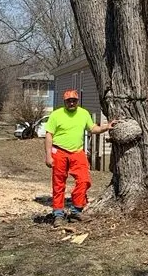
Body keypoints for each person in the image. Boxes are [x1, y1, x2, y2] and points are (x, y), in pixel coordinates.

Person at [45, 90, 117, 229]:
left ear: (77, 101)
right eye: (69, 101)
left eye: (74, 100)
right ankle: (58, 214)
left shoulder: (83, 113)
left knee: (84, 180)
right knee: (59, 184)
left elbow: (93, 128)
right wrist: (48, 155)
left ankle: (76, 210)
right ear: (64, 101)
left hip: (77, 152)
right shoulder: (56, 115)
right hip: (59, 151)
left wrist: (106, 127)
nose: (71, 103)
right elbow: (49, 135)